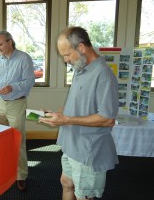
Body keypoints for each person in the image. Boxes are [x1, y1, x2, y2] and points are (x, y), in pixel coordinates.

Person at [39, 26, 119, 200]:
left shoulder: (103, 75)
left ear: (81, 48)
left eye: (67, 55)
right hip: (71, 144)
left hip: (88, 150)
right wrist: (57, 115)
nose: (66, 60)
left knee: (85, 195)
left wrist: (66, 120)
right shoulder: (80, 68)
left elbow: (107, 119)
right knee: (67, 183)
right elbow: (74, 104)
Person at [0, 30, 35, 191]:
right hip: (0, 103)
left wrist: (12, 87)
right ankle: (4, 171)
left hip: (17, 103)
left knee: (17, 139)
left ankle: (21, 175)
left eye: (0, 44)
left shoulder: (24, 58)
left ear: (10, 42)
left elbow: (29, 81)